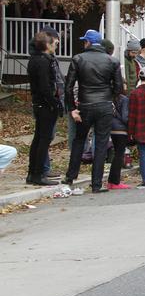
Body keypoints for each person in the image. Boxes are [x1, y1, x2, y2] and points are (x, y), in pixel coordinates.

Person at [63, 29, 123, 192]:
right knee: (101, 143)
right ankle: (96, 183)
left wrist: (72, 109)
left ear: (87, 42)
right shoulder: (112, 61)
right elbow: (119, 87)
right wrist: (110, 99)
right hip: (104, 105)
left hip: (85, 105)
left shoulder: (78, 59)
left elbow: (68, 87)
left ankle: (70, 176)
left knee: (79, 140)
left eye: (84, 41)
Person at [26, 30, 61, 185]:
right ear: (47, 44)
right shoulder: (43, 61)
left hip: (39, 103)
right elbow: (45, 87)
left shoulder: (35, 59)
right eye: (55, 43)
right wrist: (55, 103)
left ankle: (32, 172)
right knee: (44, 139)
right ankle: (38, 174)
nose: (56, 46)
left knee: (38, 138)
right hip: (45, 105)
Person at [107, 89, 131, 190]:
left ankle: (111, 181)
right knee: (119, 155)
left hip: (111, 128)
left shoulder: (109, 98)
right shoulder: (124, 99)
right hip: (121, 129)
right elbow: (125, 117)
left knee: (117, 154)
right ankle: (115, 181)